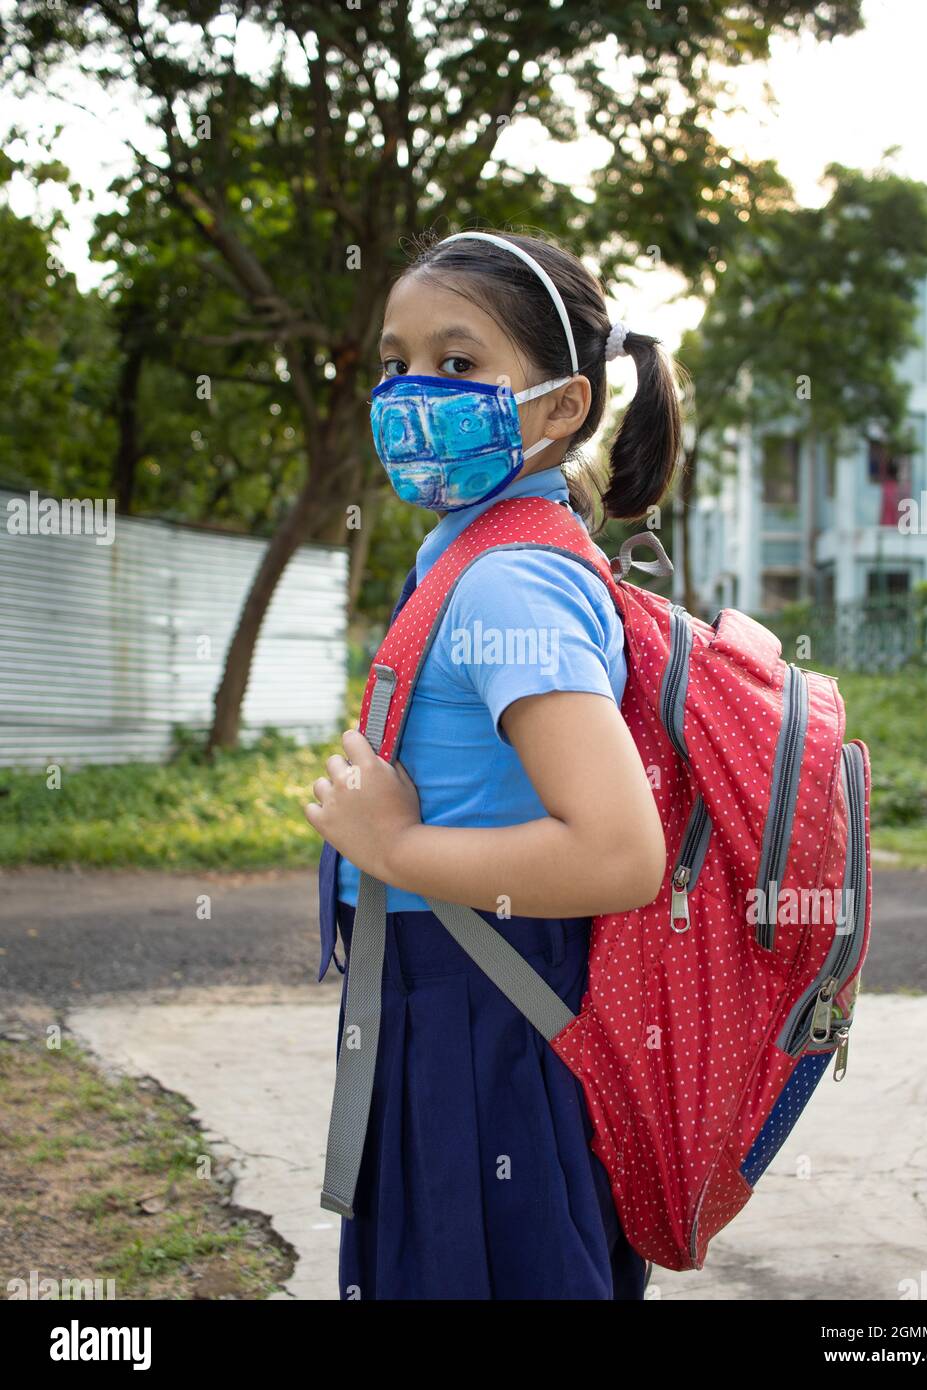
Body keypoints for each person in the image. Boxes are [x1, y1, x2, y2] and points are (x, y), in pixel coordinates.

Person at [305, 227, 682, 1299]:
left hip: (484, 1017)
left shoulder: (508, 581)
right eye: (395, 361)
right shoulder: (478, 551)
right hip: (454, 1001)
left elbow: (617, 852)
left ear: (560, 408)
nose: (411, 391)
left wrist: (398, 845)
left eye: (458, 365)